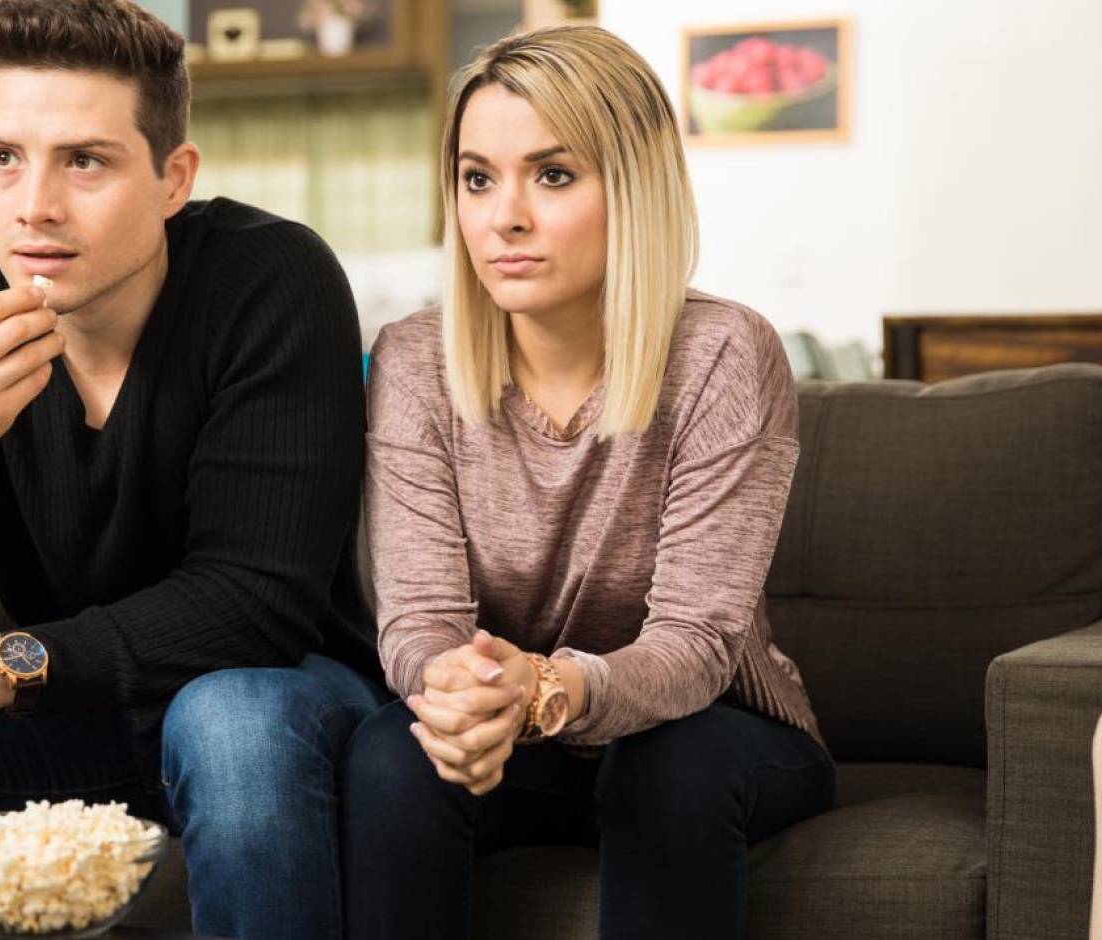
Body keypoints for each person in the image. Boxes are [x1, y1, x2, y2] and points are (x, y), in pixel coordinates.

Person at [0, 2, 384, 938]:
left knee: (232, 724)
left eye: (84, 160)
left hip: (275, 692)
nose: (32, 206)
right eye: (2, 156)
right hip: (71, 709)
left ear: (174, 179)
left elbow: (257, 602)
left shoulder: (271, 281)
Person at [341, 24, 835, 939]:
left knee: (667, 759)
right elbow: (418, 621)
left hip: (712, 733)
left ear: (634, 190)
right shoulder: (413, 359)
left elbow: (697, 642)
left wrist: (551, 689)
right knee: (391, 751)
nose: (504, 216)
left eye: (554, 175)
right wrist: (461, 690)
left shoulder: (724, 353)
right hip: (514, 742)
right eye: (478, 177)